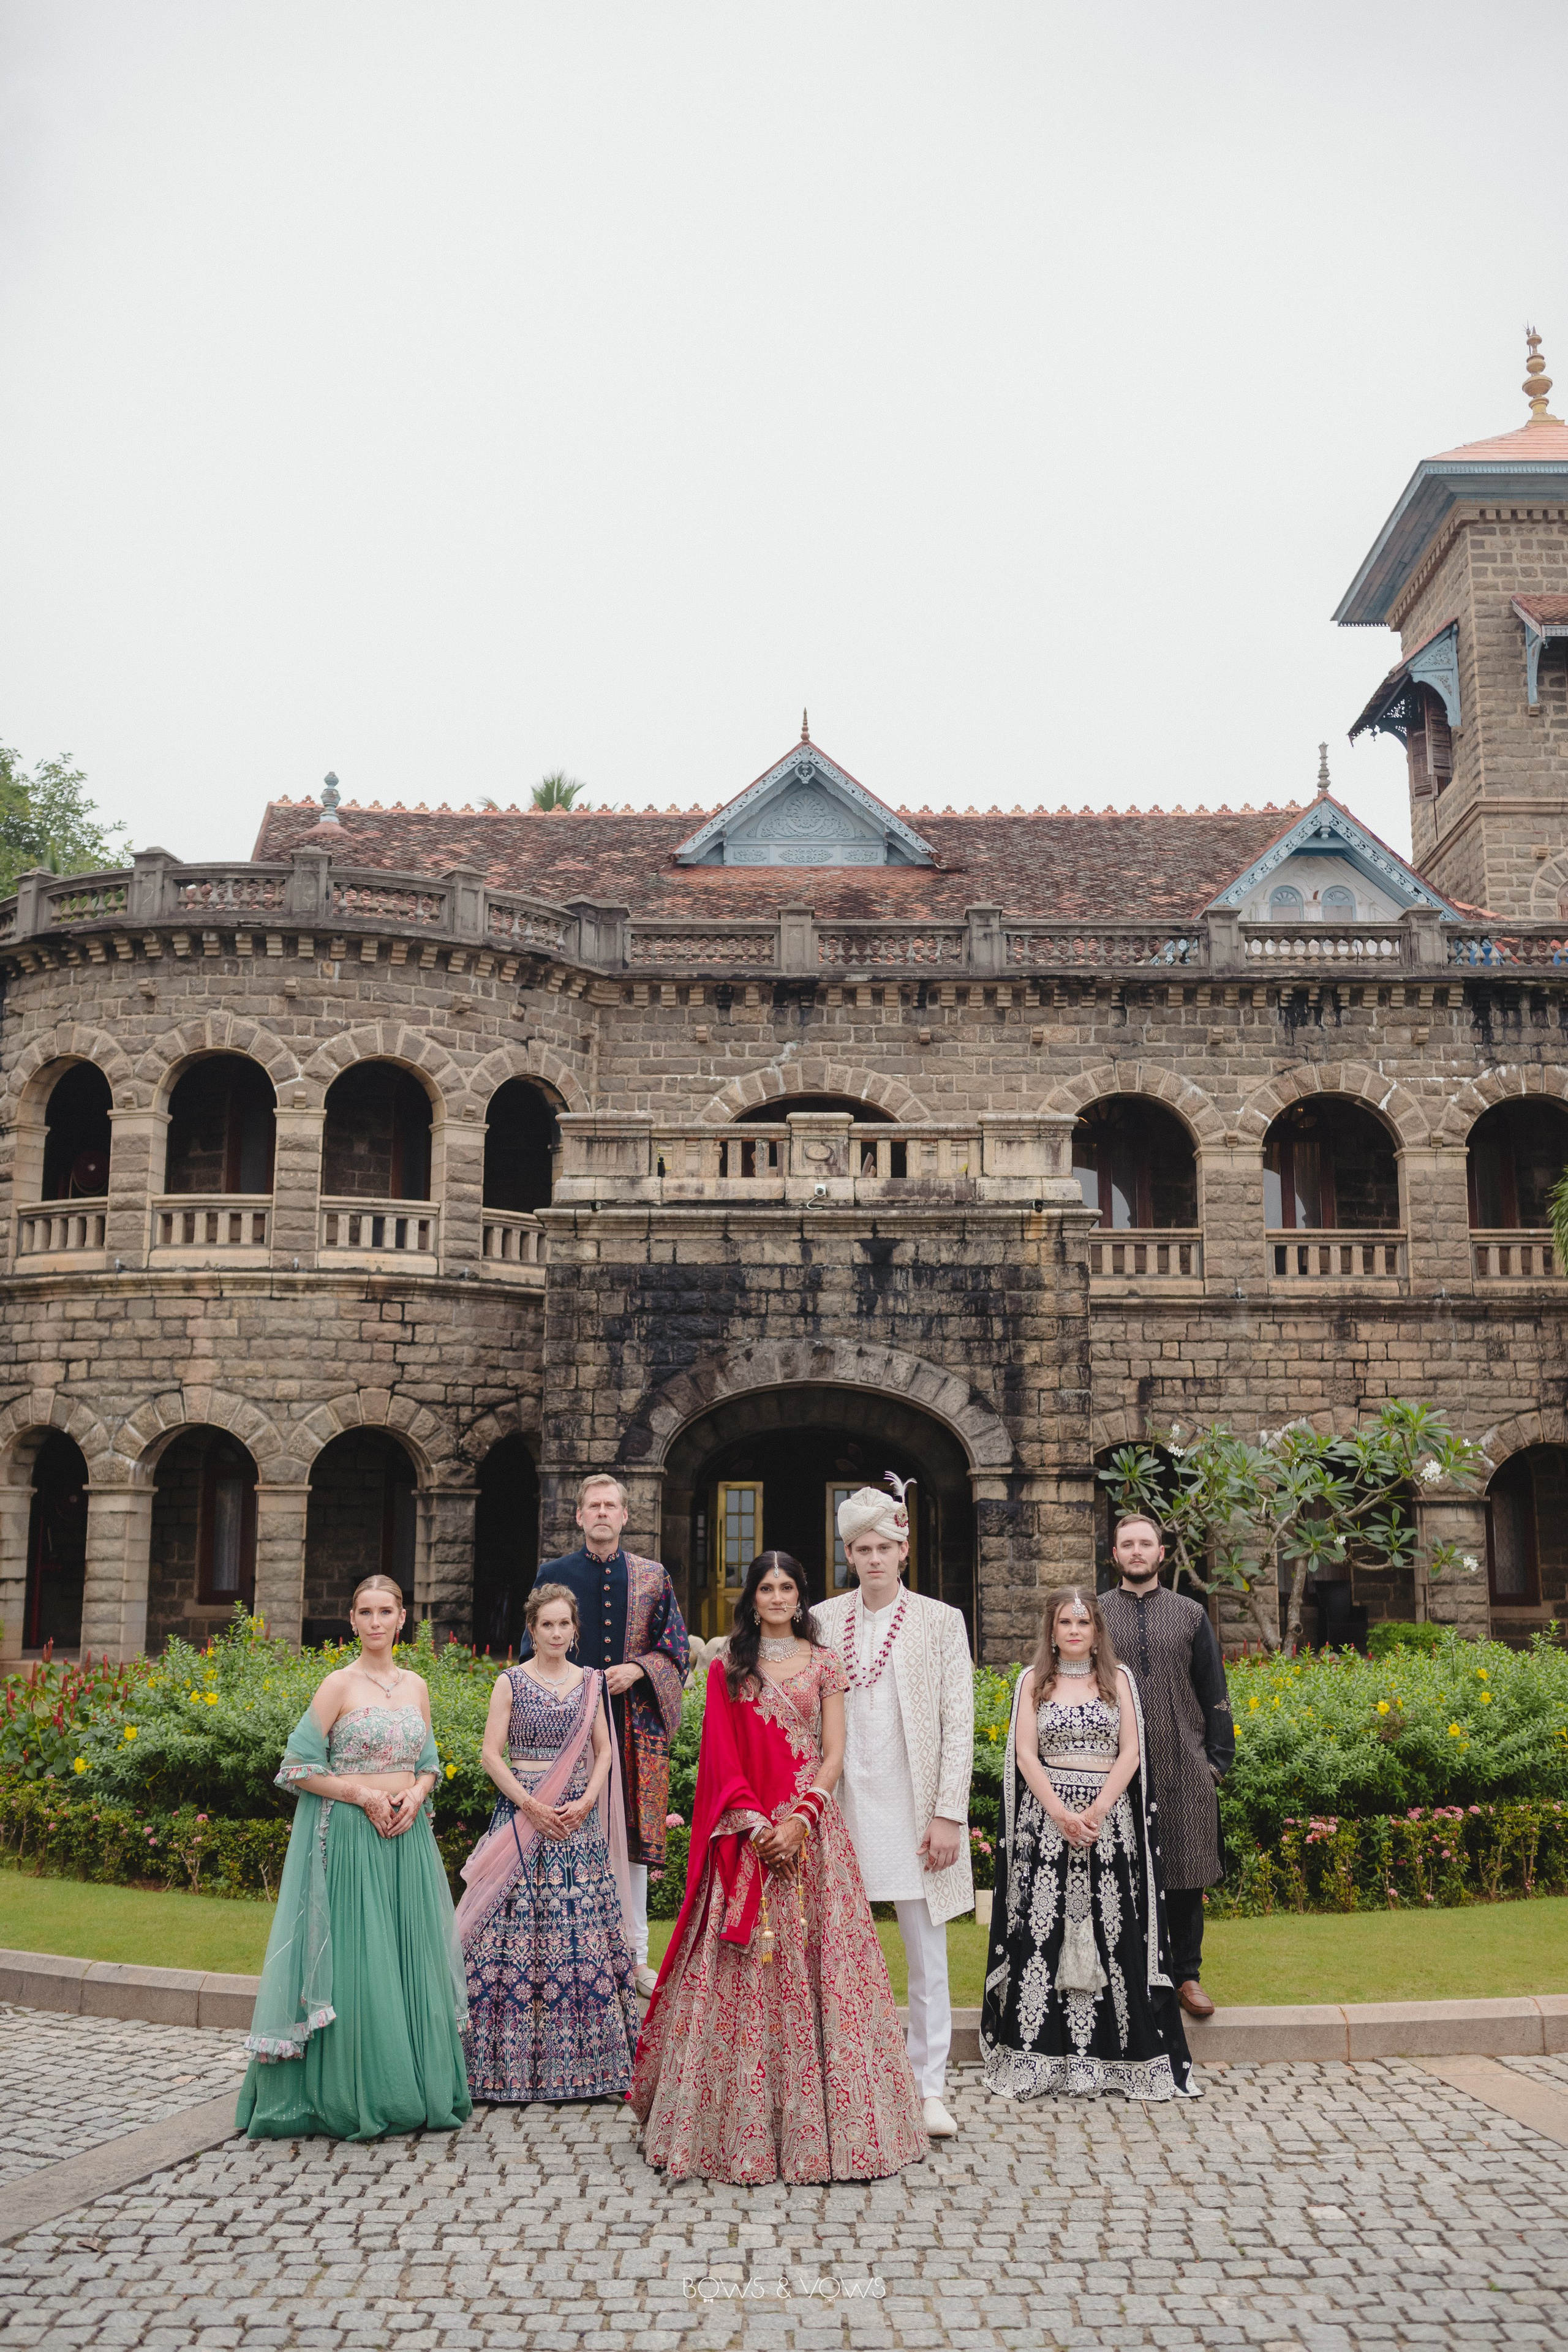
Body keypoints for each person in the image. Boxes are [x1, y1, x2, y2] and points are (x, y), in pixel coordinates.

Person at [631, 1551, 926, 2185]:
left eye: (786, 1586)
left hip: (813, 1838)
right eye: (765, 1587)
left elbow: (834, 1751)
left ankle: (842, 2129)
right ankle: (729, 2128)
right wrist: (758, 1825)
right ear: (752, 1597)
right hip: (747, 1839)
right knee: (739, 1979)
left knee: (829, 1974)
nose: (776, 1596)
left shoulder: (824, 1663)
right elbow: (720, 1758)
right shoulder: (727, 1670)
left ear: (801, 1595)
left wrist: (802, 1819)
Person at [236, 1574, 471, 2141]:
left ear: (402, 1619)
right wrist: (363, 1795)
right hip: (351, 1834)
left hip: (407, 1835)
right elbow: (297, 1766)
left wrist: (415, 1794)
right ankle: (355, 2091)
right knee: (363, 1960)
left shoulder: (416, 1686)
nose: (375, 1622)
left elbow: (431, 1761)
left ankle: (417, 2089)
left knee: (406, 1955)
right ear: (351, 1620)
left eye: (385, 1611)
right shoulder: (336, 1685)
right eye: (364, 1612)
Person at [979, 1586, 1197, 2102]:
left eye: (1084, 1622)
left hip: (1108, 1823)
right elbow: (1026, 1756)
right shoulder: (1033, 1682)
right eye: (1065, 1623)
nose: (1075, 1631)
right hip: (1047, 1826)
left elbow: (1132, 1751)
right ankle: (1036, 2054)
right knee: (1043, 1933)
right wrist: (1059, 1812)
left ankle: (1119, 2056)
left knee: (1113, 1930)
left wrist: (1097, 1809)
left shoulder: (1117, 1680)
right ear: (1051, 1632)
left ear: (1098, 1631)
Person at [810, 1479, 974, 2141]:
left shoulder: (940, 1620)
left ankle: (928, 2087)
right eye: (863, 1548)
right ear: (849, 1554)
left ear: (904, 1551)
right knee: (833, 1951)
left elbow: (959, 1723)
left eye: (885, 1547)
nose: (874, 1558)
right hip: (844, 1802)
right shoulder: (820, 1619)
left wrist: (948, 1814)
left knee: (926, 1956)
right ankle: (840, 2077)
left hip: (915, 1808)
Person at [457, 1583, 640, 2104]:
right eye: (547, 1626)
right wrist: (531, 1806)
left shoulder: (590, 1684)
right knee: (506, 1935)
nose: (556, 1634)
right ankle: (497, 2070)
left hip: (575, 1820)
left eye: (565, 1625)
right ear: (532, 1630)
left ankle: (592, 2069)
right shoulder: (510, 1682)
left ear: (574, 1630)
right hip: (522, 1817)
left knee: (580, 1933)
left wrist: (585, 1803)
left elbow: (605, 1751)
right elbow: (492, 1754)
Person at [525, 1474, 690, 1997]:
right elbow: (527, 1650)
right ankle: (563, 1950)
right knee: (565, 1834)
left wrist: (639, 1670)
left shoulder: (651, 1576)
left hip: (632, 1731)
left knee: (633, 1844)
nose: (601, 1513)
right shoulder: (553, 1574)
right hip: (564, 1728)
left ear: (624, 1516)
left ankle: (637, 1957)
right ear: (579, 1517)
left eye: (610, 1505)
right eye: (592, 1505)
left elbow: (677, 1650)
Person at [1099, 1512, 1235, 2020]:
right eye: (1127, 1544)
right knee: (1122, 1873)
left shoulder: (1191, 1614)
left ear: (1162, 1554)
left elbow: (1215, 1693)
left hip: (1183, 1764)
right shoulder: (1094, 1613)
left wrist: (1215, 1765)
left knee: (1183, 1874)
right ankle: (1129, 1976)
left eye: (1145, 1544)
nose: (1136, 1551)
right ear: (1114, 1555)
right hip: (1112, 1767)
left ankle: (1188, 1976)